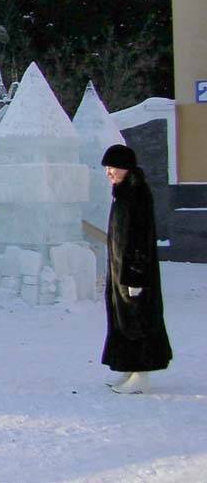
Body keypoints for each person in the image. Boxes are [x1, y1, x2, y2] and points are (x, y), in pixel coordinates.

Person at [100, 144, 172, 394]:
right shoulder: (122, 193)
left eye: (113, 167)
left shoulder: (137, 194)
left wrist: (135, 276)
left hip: (134, 273)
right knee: (124, 322)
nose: (109, 172)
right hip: (122, 272)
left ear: (126, 168)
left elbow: (139, 238)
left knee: (138, 322)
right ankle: (130, 368)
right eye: (107, 167)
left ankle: (142, 374)